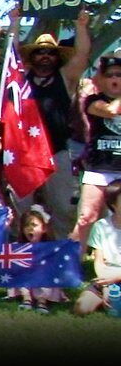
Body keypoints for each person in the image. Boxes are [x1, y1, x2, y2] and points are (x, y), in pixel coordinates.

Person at [10, 7, 91, 239]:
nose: (45, 56)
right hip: (24, 153)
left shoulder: (65, 77)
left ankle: (59, 254)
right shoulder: (20, 78)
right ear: (32, 56)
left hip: (57, 151)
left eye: (50, 53)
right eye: (40, 52)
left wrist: (81, 26)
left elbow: (82, 55)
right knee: (20, 208)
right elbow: (12, 54)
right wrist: (14, 23)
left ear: (57, 57)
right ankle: (19, 254)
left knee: (64, 208)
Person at [74, 56, 121, 243]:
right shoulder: (93, 100)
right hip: (99, 168)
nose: (115, 79)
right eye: (109, 75)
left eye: (119, 74)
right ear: (101, 80)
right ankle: (74, 265)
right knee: (86, 217)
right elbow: (110, 111)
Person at [75, 180, 121, 316]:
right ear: (113, 205)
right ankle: (106, 298)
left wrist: (116, 278)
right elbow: (98, 261)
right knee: (81, 309)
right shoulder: (101, 226)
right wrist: (106, 285)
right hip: (106, 277)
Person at [10, 206, 60, 314]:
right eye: (26, 225)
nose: (30, 228)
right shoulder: (17, 247)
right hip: (26, 281)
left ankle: (42, 302)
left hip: (44, 282)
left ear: (44, 229)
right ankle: (26, 299)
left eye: (34, 225)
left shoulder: (50, 248)